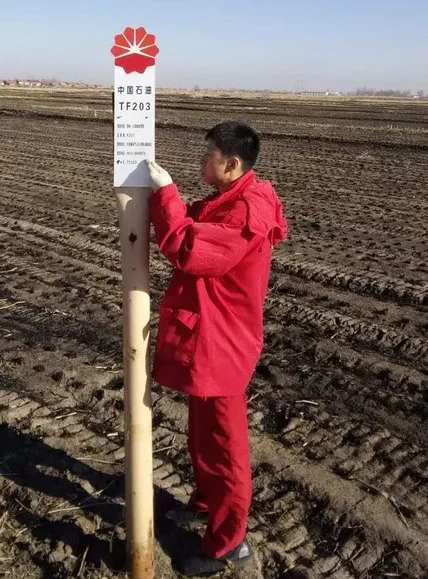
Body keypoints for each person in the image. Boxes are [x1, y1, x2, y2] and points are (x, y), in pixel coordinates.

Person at [145, 121, 287, 577]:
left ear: (232, 164)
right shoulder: (230, 199)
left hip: (222, 342)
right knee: (203, 433)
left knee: (225, 447)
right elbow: (196, 225)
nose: (201, 159)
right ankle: (207, 505)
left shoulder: (244, 212)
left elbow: (191, 248)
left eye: (209, 154)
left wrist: (165, 192)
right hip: (213, 336)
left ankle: (228, 544)